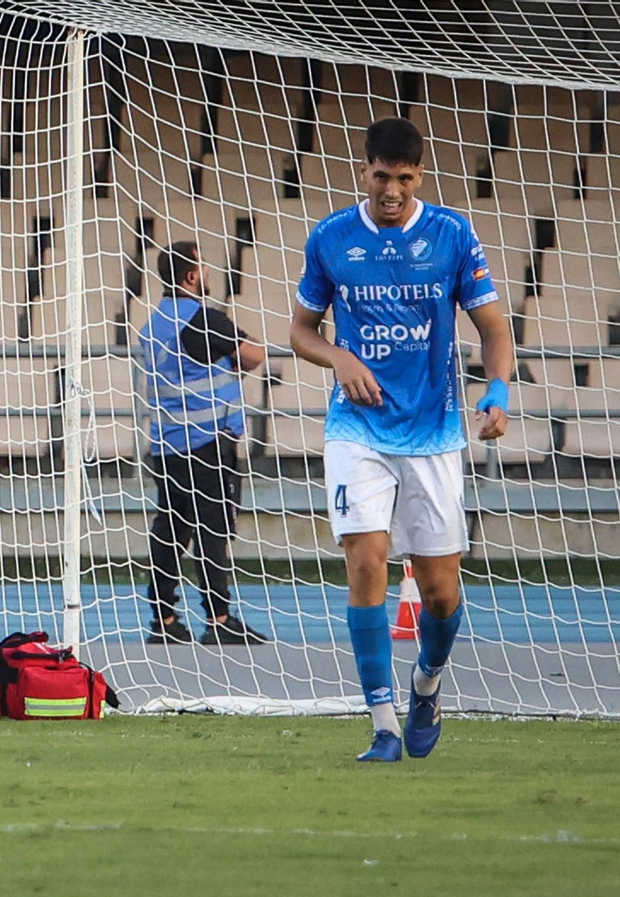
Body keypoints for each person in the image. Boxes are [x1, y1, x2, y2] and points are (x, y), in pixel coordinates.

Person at [289, 117, 512, 762]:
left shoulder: (451, 235)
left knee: (441, 591)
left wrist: (495, 391)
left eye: (404, 178)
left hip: (435, 430)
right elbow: (302, 330)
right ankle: (384, 723)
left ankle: (427, 685)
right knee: (366, 558)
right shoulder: (331, 237)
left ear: (420, 177)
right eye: (381, 176)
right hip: (357, 427)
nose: (391, 189)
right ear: (365, 170)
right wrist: (339, 359)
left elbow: (494, 328)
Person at [138, 241, 269, 646]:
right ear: (191, 276)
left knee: (170, 528)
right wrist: (230, 354)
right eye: (204, 268)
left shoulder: (155, 323)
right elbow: (254, 356)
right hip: (208, 442)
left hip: (167, 443)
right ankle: (219, 617)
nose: (209, 275)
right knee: (212, 529)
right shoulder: (204, 319)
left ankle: (164, 618)